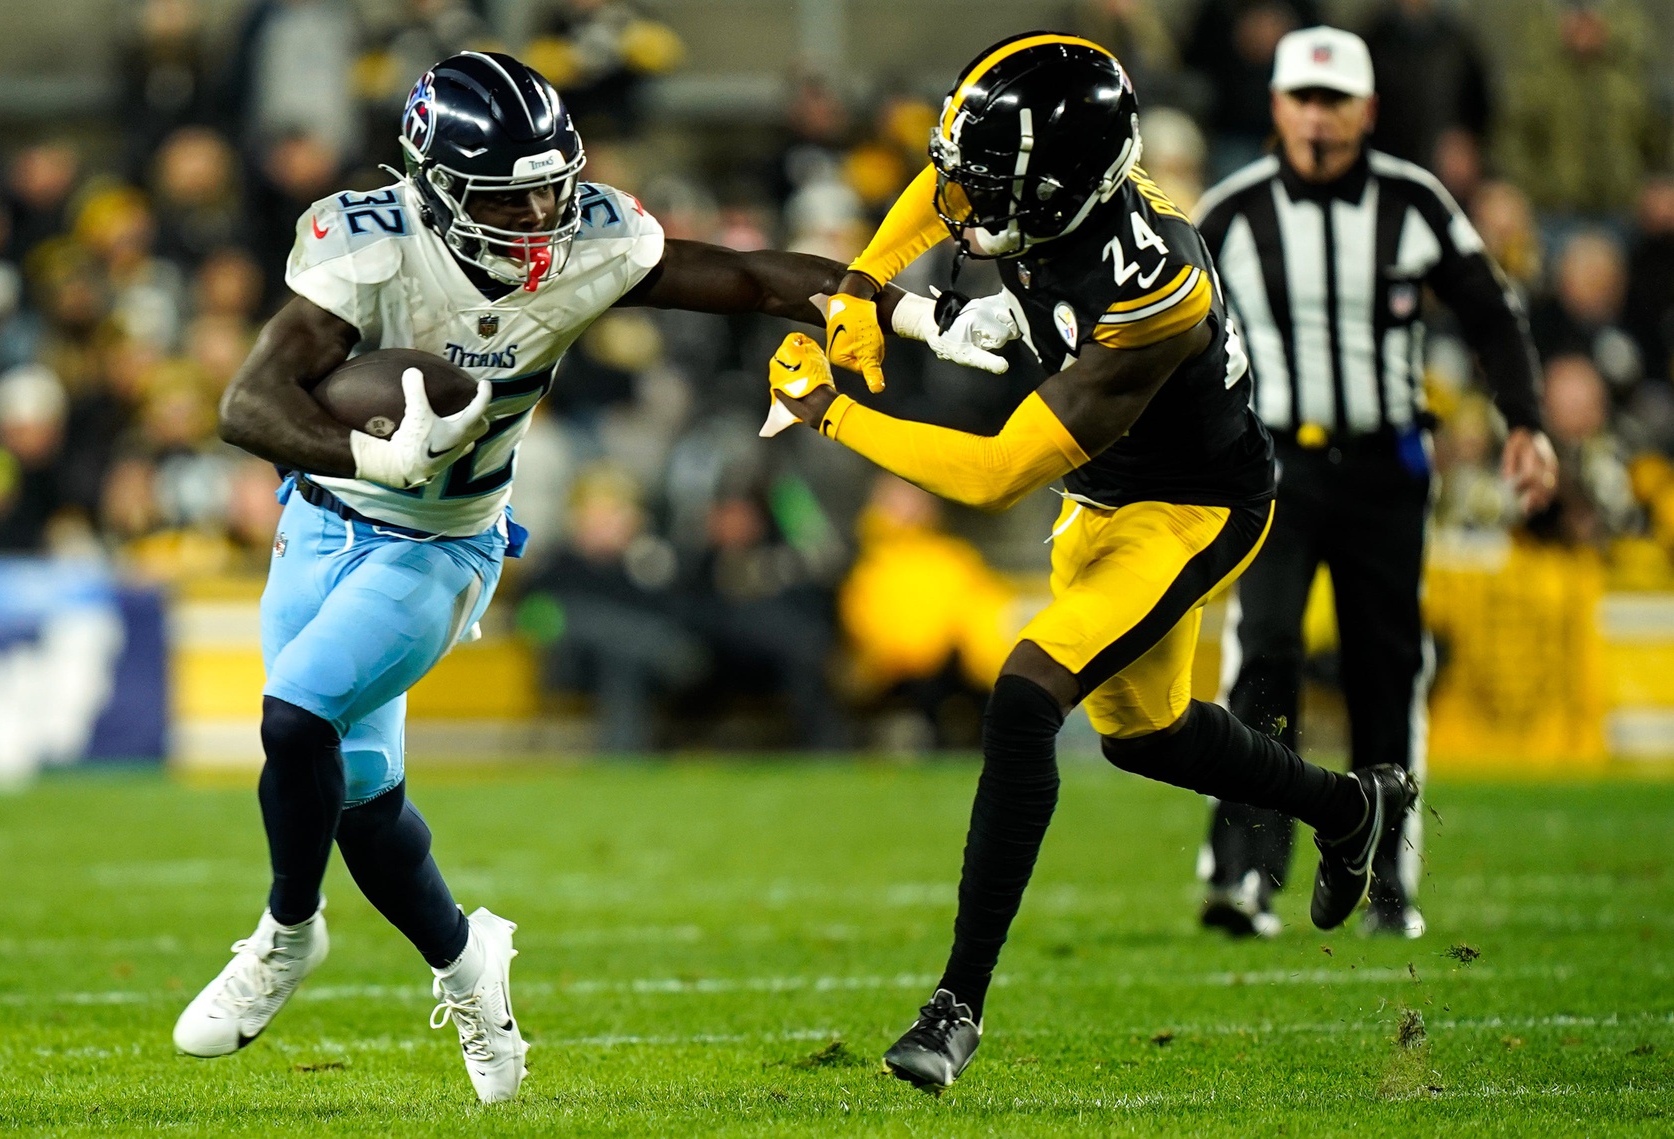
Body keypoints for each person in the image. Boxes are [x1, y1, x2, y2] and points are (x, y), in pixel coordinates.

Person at [174, 51, 916, 1103]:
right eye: (509, 194)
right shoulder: (369, 250)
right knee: (361, 802)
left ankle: (287, 933)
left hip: (441, 544)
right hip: (320, 522)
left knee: (296, 719)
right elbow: (247, 403)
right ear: (434, 188)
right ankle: (468, 964)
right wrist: (369, 456)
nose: (539, 213)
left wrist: (900, 308)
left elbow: (749, 279)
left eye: (550, 185)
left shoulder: (584, 244)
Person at [764, 32, 1417, 1091]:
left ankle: (954, 1005)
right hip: (1105, 487)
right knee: (1142, 735)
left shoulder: (1155, 285)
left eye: (992, 188)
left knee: (1026, 693)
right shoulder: (1045, 188)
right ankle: (1350, 807)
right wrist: (859, 285)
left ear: (1063, 185)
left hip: (1188, 505)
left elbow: (994, 473)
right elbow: (939, 186)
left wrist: (827, 412)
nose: (963, 203)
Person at [1190, 27, 1556, 939]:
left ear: (1369, 109)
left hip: (1389, 467)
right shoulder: (1231, 211)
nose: (1317, 117)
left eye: (1334, 100)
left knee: (1386, 667)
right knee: (1264, 653)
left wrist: (1527, 422)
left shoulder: (1414, 200)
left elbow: (1489, 307)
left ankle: (1389, 880)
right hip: (1276, 465)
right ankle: (1244, 873)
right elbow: (1180, 342)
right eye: (1302, 99)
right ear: (1274, 105)